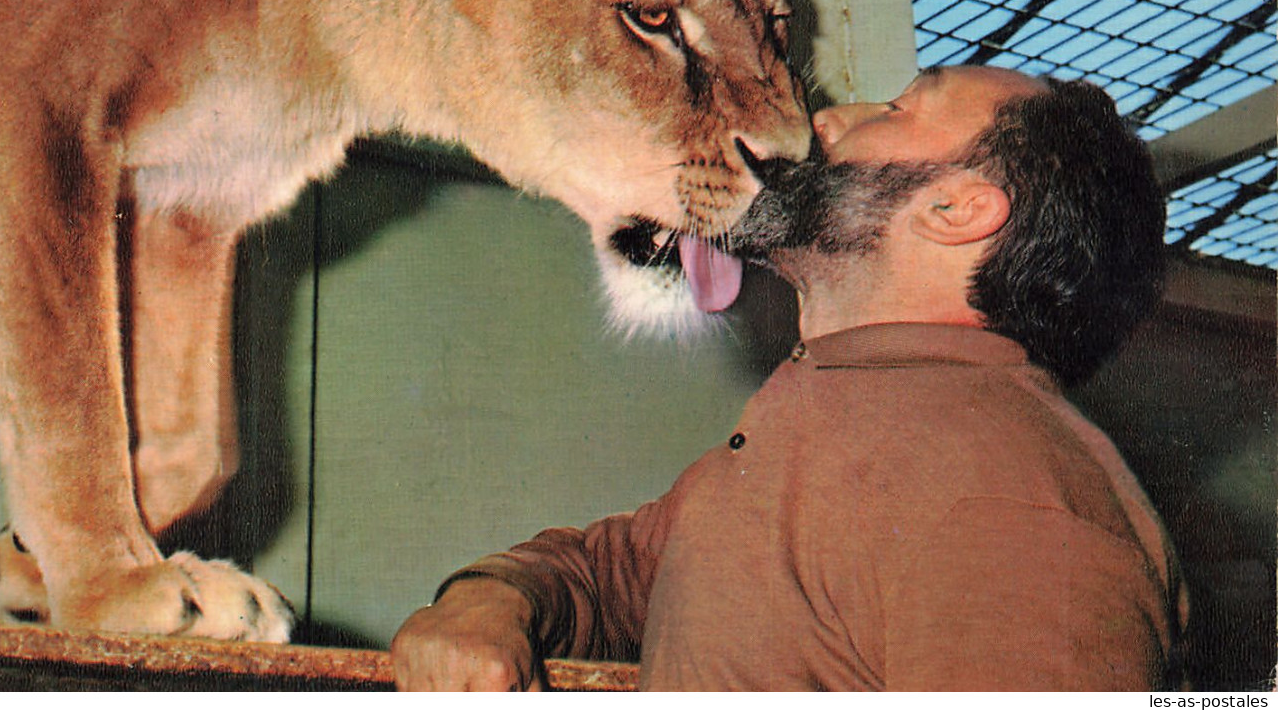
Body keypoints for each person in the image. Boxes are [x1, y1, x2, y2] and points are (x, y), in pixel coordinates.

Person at [390, 65, 1188, 691]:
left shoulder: (1013, 501)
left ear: (956, 209)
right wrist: (491, 600)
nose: (829, 120)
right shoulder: (821, 423)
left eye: (899, 108)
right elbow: (610, 570)